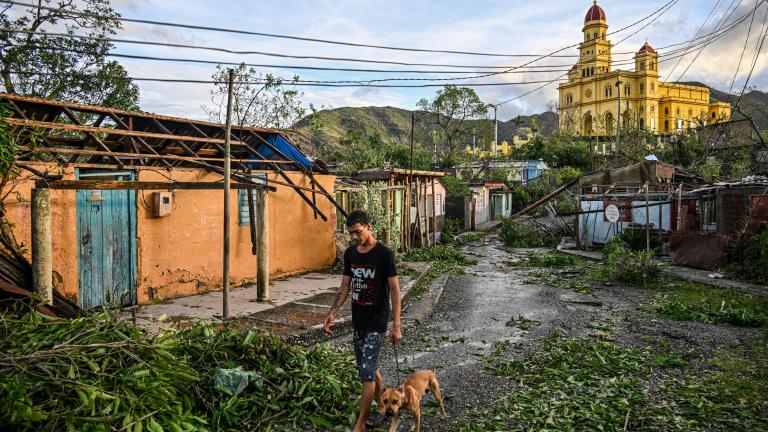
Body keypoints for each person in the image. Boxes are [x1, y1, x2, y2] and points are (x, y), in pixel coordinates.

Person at [323, 210, 402, 432]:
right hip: (358, 320)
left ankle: (360, 423)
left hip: (377, 321)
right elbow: (345, 286)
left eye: (358, 232)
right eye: (351, 233)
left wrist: (396, 325)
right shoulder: (350, 254)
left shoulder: (384, 254)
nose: (355, 237)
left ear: (369, 226)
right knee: (367, 365)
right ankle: (381, 404)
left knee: (366, 373)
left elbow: (395, 290)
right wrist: (332, 312)